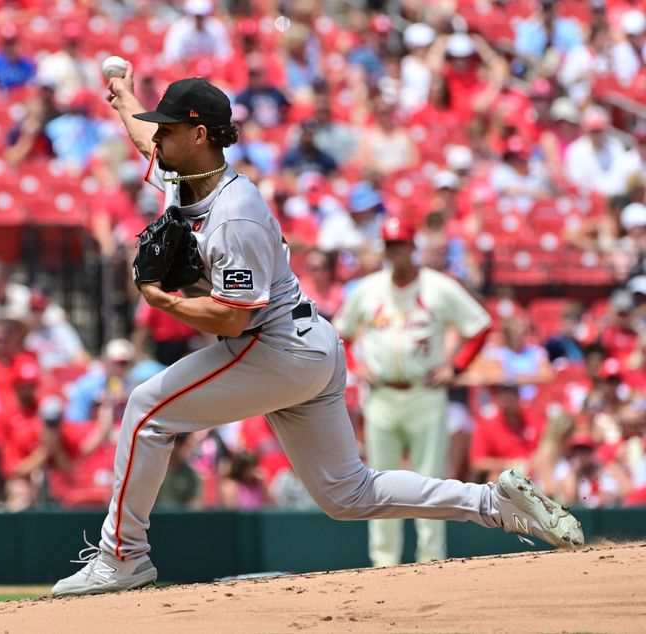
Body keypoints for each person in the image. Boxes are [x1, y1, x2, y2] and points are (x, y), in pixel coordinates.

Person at [50, 70, 584, 597]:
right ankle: (496, 504)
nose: (157, 137)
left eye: (168, 129)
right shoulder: (185, 177)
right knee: (348, 494)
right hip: (307, 346)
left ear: (200, 136)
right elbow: (148, 142)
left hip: (276, 345)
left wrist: (163, 300)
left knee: (146, 408)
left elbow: (234, 317)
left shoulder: (236, 214)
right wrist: (124, 101)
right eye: (157, 128)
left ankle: (123, 557)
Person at [334, 218, 493, 567]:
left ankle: (431, 561)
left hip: (425, 394)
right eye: (390, 245)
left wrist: (456, 368)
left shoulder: (438, 286)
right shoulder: (369, 288)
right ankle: (383, 563)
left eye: (401, 244)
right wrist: (355, 367)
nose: (395, 251)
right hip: (382, 398)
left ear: (412, 246)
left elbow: (480, 325)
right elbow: (338, 332)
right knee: (377, 486)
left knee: (430, 481)